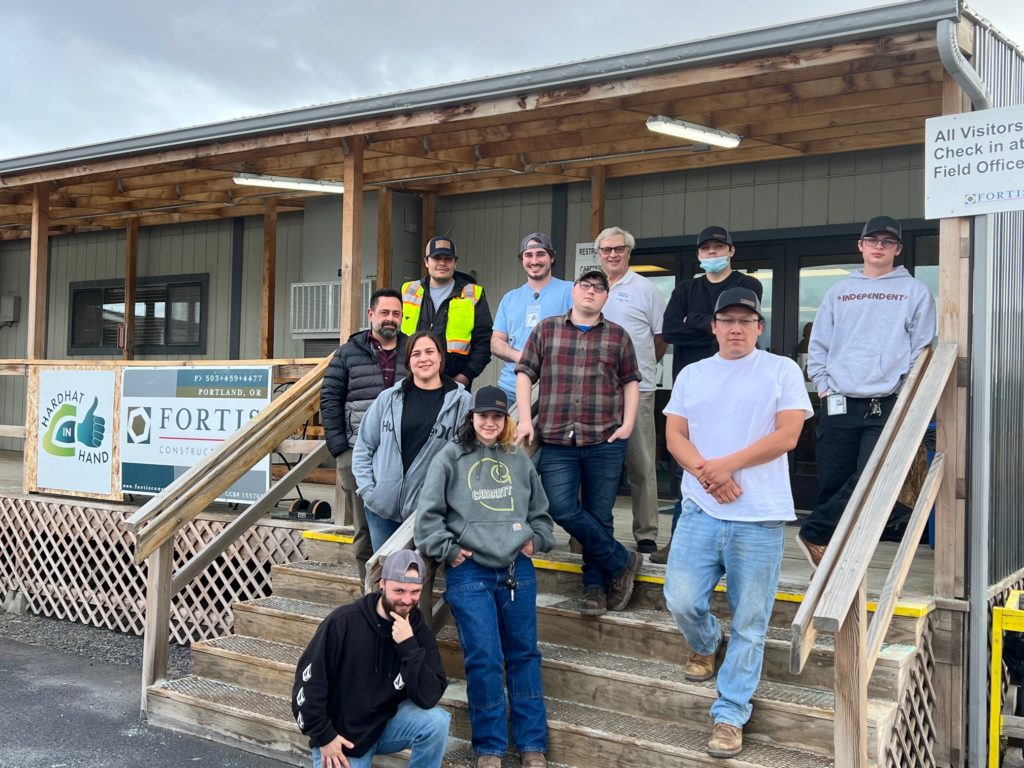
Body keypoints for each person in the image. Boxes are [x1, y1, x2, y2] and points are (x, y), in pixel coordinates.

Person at [662, 287, 811, 758]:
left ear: (759, 327)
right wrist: (710, 476)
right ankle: (706, 641)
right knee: (681, 598)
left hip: (760, 516)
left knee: (751, 620)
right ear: (713, 326)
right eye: (727, 320)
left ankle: (729, 713)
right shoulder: (693, 373)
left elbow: (788, 435)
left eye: (746, 321)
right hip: (701, 509)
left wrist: (724, 466)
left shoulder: (781, 370)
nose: (736, 328)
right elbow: (674, 435)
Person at [415, 386, 555, 768]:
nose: (490, 423)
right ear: (471, 418)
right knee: (485, 658)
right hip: (470, 571)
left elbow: (540, 511)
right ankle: (490, 747)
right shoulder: (449, 458)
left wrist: (537, 540)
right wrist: (449, 551)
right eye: (483, 416)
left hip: (517, 571)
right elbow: (427, 518)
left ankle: (532, 745)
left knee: (524, 655)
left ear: (505, 421)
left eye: (497, 417)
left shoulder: (519, 460)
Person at [798, 215, 936, 568]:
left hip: (886, 400)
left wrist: (906, 394)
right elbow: (820, 343)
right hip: (839, 399)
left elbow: (922, 350)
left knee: (875, 477)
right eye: (872, 240)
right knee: (834, 481)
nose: (879, 246)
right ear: (860, 245)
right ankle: (830, 558)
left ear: (897, 249)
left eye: (887, 242)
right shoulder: (839, 290)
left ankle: (815, 530)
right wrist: (824, 387)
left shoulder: (915, 292)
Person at [515, 268, 644, 617]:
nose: (591, 291)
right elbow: (525, 373)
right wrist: (526, 419)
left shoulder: (618, 337)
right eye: (585, 286)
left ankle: (595, 589)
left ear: (605, 297)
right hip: (557, 439)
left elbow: (631, 382)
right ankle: (621, 560)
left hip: (605, 438)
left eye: (599, 288)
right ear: (574, 292)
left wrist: (628, 424)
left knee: (600, 516)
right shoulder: (547, 329)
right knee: (560, 507)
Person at [653, 225, 764, 565]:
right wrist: (709, 323)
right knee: (685, 462)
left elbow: (741, 323)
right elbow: (671, 329)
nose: (713, 254)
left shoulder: (748, 285)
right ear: (699, 254)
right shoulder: (686, 287)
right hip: (694, 385)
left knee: (735, 458)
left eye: (719, 248)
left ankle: (736, 544)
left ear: (731, 251)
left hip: (739, 383)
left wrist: (695, 322)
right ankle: (679, 540)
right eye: (707, 250)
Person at [291, 550, 450, 768]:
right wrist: (324, 737)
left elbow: (430, 695)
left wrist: (409, 647)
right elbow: (307, 685)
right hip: (343, 737)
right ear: (382, 584)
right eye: (399, 590)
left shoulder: (417, 630)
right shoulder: (343, 621)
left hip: (386, 724)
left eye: (415, 592)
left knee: (437, 722)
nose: (407, 600)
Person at [353, 331, 470, 551]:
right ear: (408, 361)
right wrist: (369, 491)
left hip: (427, 513)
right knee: (385, 574)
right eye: (416, 354)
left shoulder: (461, 402)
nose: (423, 358)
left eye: (429, 352)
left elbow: (466, 458)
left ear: (440, 357)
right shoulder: (389, 398)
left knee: (418, 578)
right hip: (381, 508)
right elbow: (364, 446)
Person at [320, 288, 408, 581]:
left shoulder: (412, 350)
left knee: (405, 526)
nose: (390, 319)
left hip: (403, 455)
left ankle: (403, 593)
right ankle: (370, 596)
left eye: (396, 313)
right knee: (364, 531)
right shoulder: (347, 353)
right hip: (357, 452)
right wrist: (340, 450)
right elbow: (330, 400)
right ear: (371, 315)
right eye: (384, 312)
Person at [595, 226, 667, 555]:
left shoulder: (646, 289)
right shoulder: (590, 288)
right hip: (596, 392)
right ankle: (591, 532)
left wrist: (637, 370)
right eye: (607, 249)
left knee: (641, 463)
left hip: (638, 389)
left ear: (628, 252)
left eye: (619, 249)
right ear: (599, 254)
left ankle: (647, 532)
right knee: (594, 466)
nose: (613, 254)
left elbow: (659, 338)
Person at [491, 232, 573, 403]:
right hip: (510, 388)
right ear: (522, 260)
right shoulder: (510, 298)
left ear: (552, 258)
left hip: (556, 389)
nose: (534, 261)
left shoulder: (571, 291)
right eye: (528, 255)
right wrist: (519, 356)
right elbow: (496, 342)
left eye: (541, 254)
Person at [401, 236, 493, 388]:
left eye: (448, 258)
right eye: (436, 258)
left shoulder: (472, 293)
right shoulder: (409, 290)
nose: (442, 263)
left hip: (453, 384)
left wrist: (466, 376)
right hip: (413, 381)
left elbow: (484, 341)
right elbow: (396, 337)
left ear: (455, 263)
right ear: (426, 262)